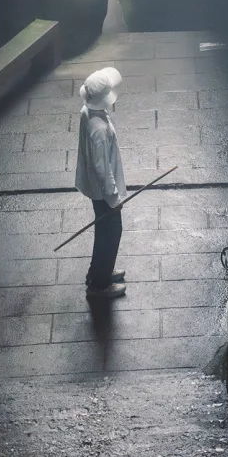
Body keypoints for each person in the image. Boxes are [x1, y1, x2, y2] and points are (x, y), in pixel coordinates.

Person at [74, 67, 127, 299]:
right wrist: (114, 200)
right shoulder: (99, 131)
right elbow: (103, 171)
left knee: (103, 230)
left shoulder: (87, 111)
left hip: (96, 189)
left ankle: (99, 272)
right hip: (103, 192)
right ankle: (99, 285)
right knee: (112, 231)